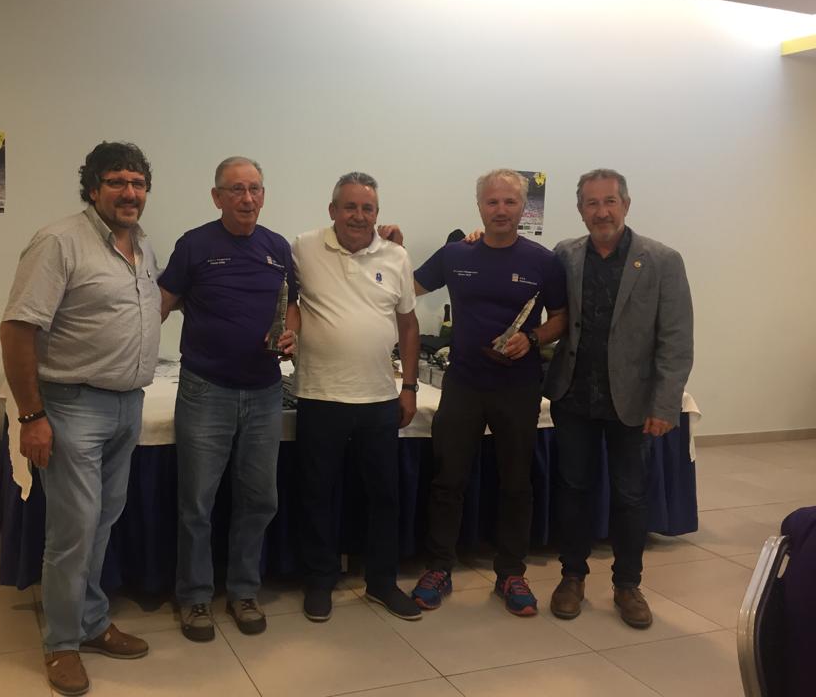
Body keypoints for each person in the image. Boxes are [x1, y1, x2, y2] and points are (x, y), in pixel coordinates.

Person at [0, 141, 161, 696]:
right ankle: (62, 643)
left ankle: (91, 621)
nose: (129, 192)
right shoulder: (59, 241)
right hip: (72, 406)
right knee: (73, 531)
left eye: (137, 182)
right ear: (93, 188)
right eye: (116, 181)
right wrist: (32, 415)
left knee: (102, 522)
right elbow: (17, 329)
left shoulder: (143, 246)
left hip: (127, 404)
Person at [409, 168, 567, 617]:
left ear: (523, 208)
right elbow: (406, 288)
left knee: (516, 482)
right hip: (463, 383)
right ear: (479, 206)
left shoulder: (543, 261)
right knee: (448, 480)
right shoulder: (456, 254)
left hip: (518, 387)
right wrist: (388, 246)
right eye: (492, 202)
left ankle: (511, 573)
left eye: (510, 202)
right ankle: (439, 567)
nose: (501, 210)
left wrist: (533, 339)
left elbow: (560, 318)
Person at [544, 168, 693, 629]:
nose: (602, 211)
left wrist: (665, 404)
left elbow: (676, 339)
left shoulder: (662, 260)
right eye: (592, 203)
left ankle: (628, 584)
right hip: (574, 397)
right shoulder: (564, 255)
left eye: (610, 201)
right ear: (580, 210)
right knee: (573, 490)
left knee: (630, 496)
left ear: (626, 204)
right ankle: (572, 576)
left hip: (632, 402)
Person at [159, 156, 297, 643]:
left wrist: (292, 334)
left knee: (259, 499)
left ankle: (243, 591)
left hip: (264, 393)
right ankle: (195, 596)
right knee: (197, 502)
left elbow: (293, 305)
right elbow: (160, 304)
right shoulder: (194, 245)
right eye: (236, 189)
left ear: (264, 195)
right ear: (217, 197)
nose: (247, 198)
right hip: (206, 390)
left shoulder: (277, 247)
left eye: (255, 188)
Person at [291, 171, 422, 622]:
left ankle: (382, 583)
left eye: (368, 208)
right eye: (350, 207)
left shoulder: (396, 255)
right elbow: (287, 301)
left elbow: (409, 325)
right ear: (333, 210)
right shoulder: (303, 247)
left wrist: (409, 387)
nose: (359, 216)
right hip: (319, 395)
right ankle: (319, 581)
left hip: (379, 399)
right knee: (317, 494)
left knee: (383, 496)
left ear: (377, 214)